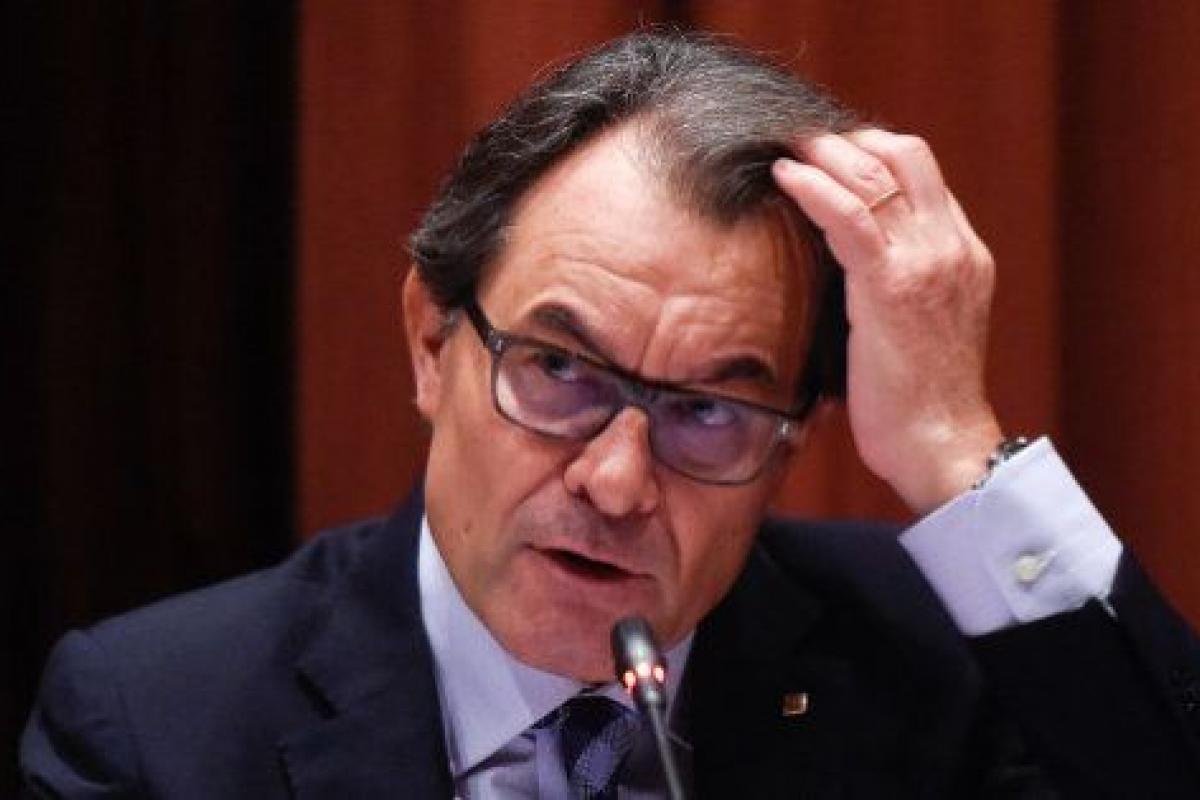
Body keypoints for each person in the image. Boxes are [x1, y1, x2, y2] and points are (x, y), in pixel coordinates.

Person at [20, 29, 1200, 799]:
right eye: (559, 368)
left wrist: (952, 447)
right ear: (431, 342)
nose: (618, 480)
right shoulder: (156, 728)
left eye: (708, 409)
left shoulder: (933, 666)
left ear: (791, 442)